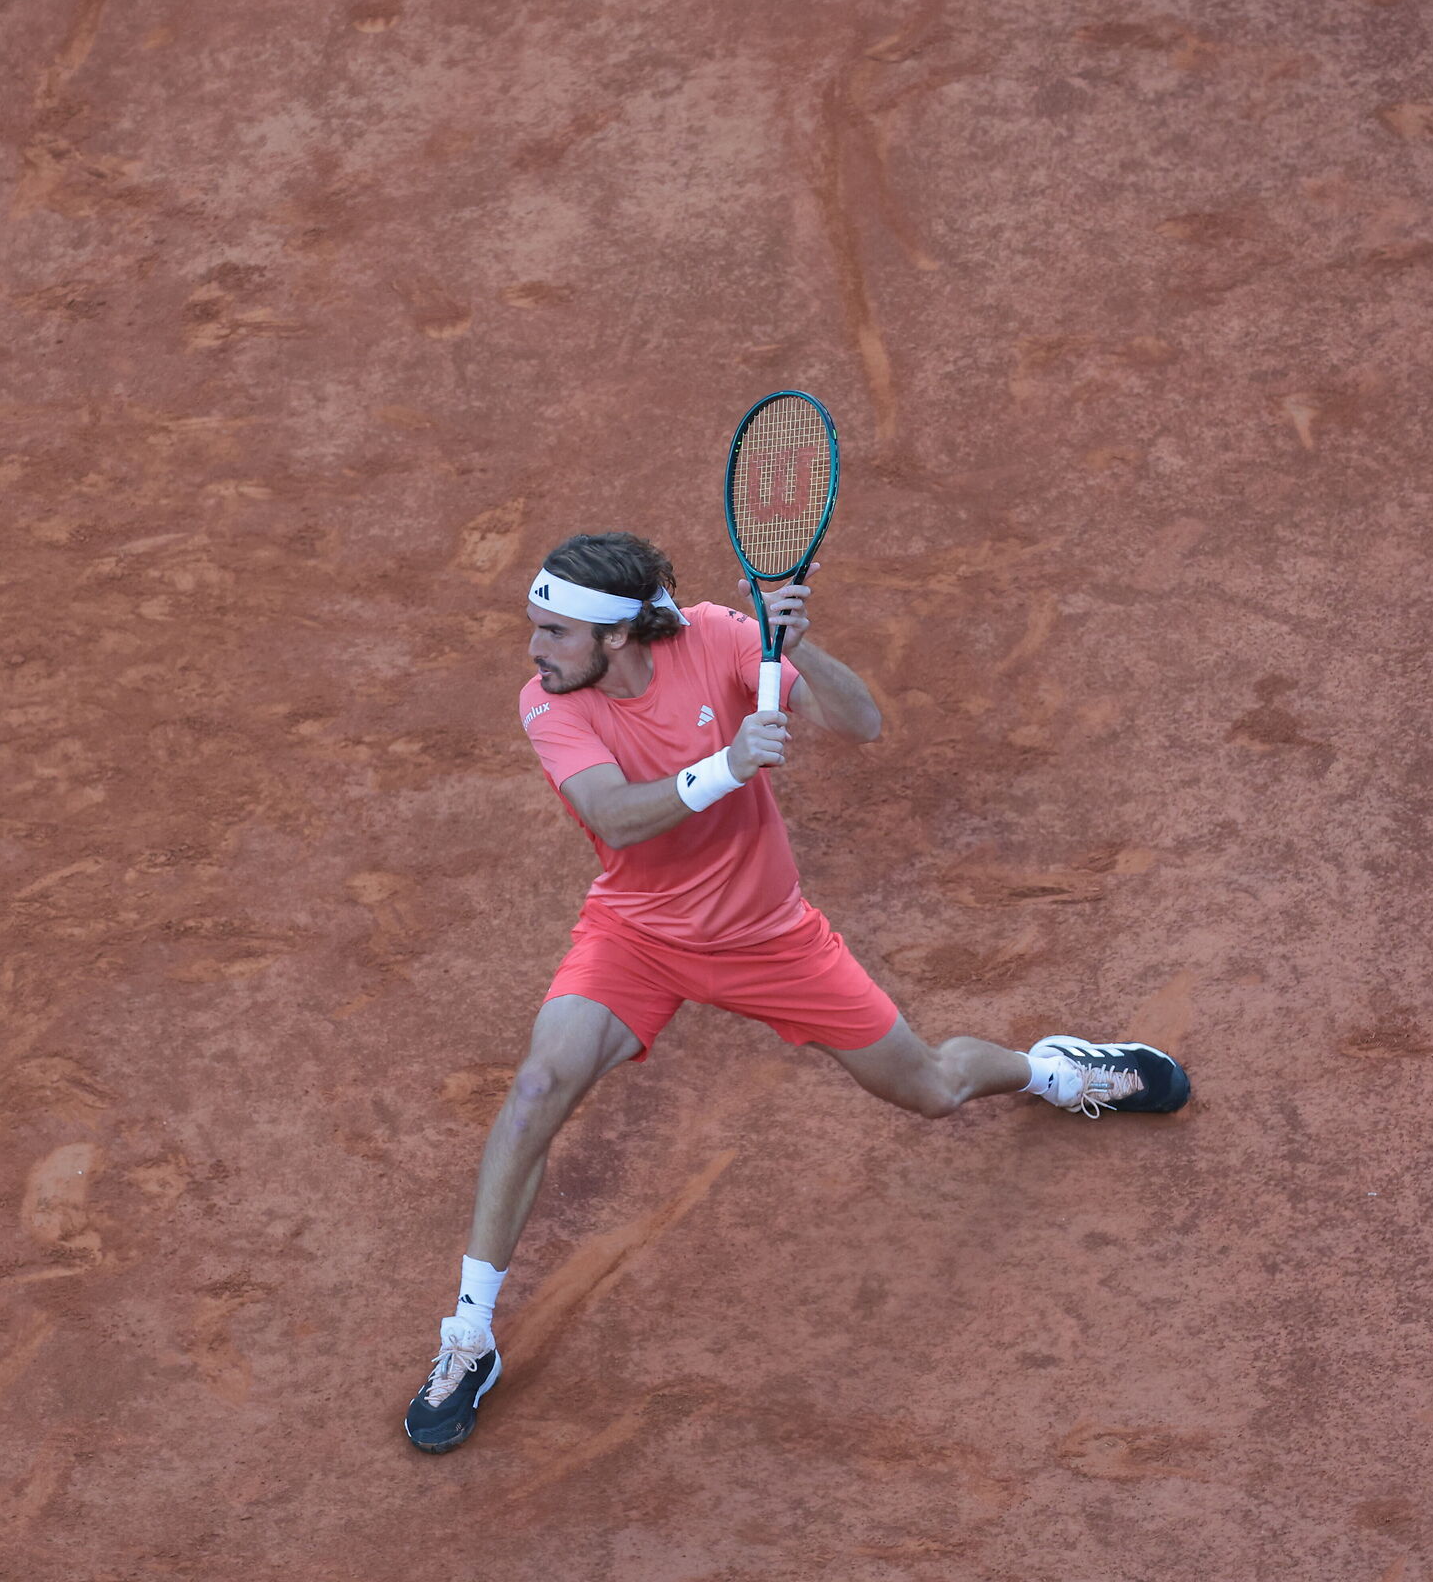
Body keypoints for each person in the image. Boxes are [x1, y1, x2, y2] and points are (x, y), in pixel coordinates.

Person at [404, 531, 1190, 1453]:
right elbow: (614, 813)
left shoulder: (719, 636)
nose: (534, 650)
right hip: (638, 935)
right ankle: (468, 1339)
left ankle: (1052, 1071)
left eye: (554, 633)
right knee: (537, 1088)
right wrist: (726, 767)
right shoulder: (549, 704)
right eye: (536, 629)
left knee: (932, 1089)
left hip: (768, 937)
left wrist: (796, 644)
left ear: (617, 636)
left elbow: (861, 724)